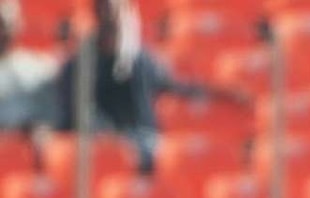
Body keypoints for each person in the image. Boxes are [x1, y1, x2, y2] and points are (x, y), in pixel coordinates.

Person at [57, 0, 250, 174]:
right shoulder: (80, 64)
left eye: (120, 12)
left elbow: (176, 86)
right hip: (106, 147)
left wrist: (222, 93)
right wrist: (110, 138)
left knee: (181, 158)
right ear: (97, 14)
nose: (114, 19)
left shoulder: (141, 60)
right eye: (108, 11)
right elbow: (77, 112)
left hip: (146, 141)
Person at [0, 0, 58, 169]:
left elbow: (50, 118)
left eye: (6, 24)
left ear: (18, 25)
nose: (2, 31)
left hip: (29, 153)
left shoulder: (39, 67)